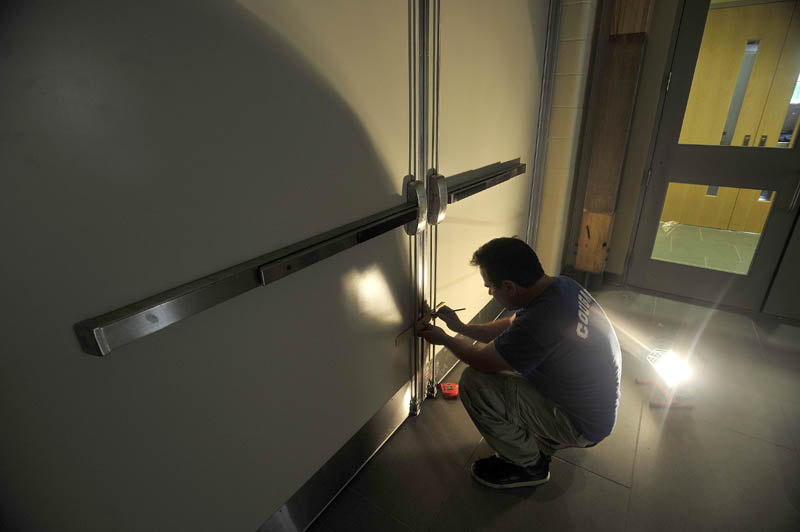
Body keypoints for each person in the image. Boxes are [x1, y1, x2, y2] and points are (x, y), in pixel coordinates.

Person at [416, 237, 621, 489]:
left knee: (474, 382)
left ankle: (527, 465)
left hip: (581, 424)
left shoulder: (541, 322)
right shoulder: (560, 286)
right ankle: (544, 436)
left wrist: (445, 340)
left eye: (490, 287)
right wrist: (460, 327)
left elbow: (482, 361)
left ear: (509, 287)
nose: (490, 293)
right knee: (515, 365)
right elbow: (511, 327)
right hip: (593, 408)